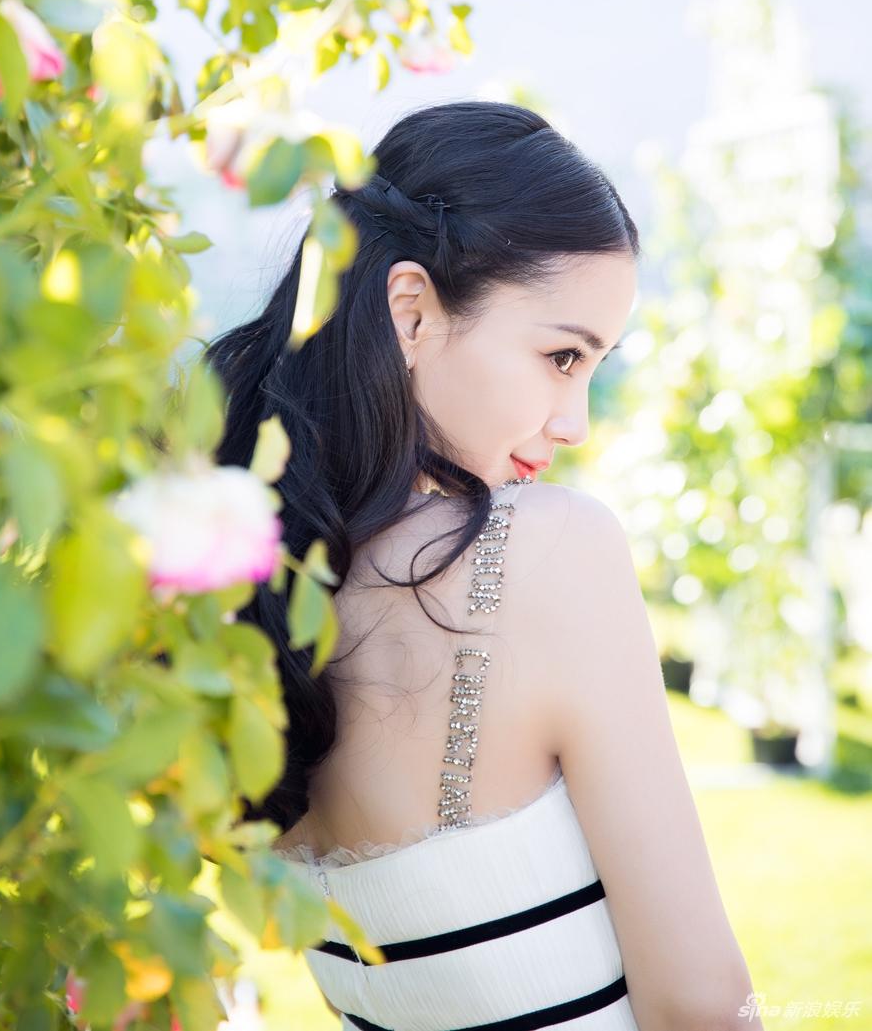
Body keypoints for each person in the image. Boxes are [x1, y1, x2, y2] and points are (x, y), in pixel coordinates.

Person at [206, 101, 762, 1031]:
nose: (575, 423)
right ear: (412, 311)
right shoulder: (549, 549)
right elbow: (702, 1004)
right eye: (561, 356)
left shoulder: (251, 601)